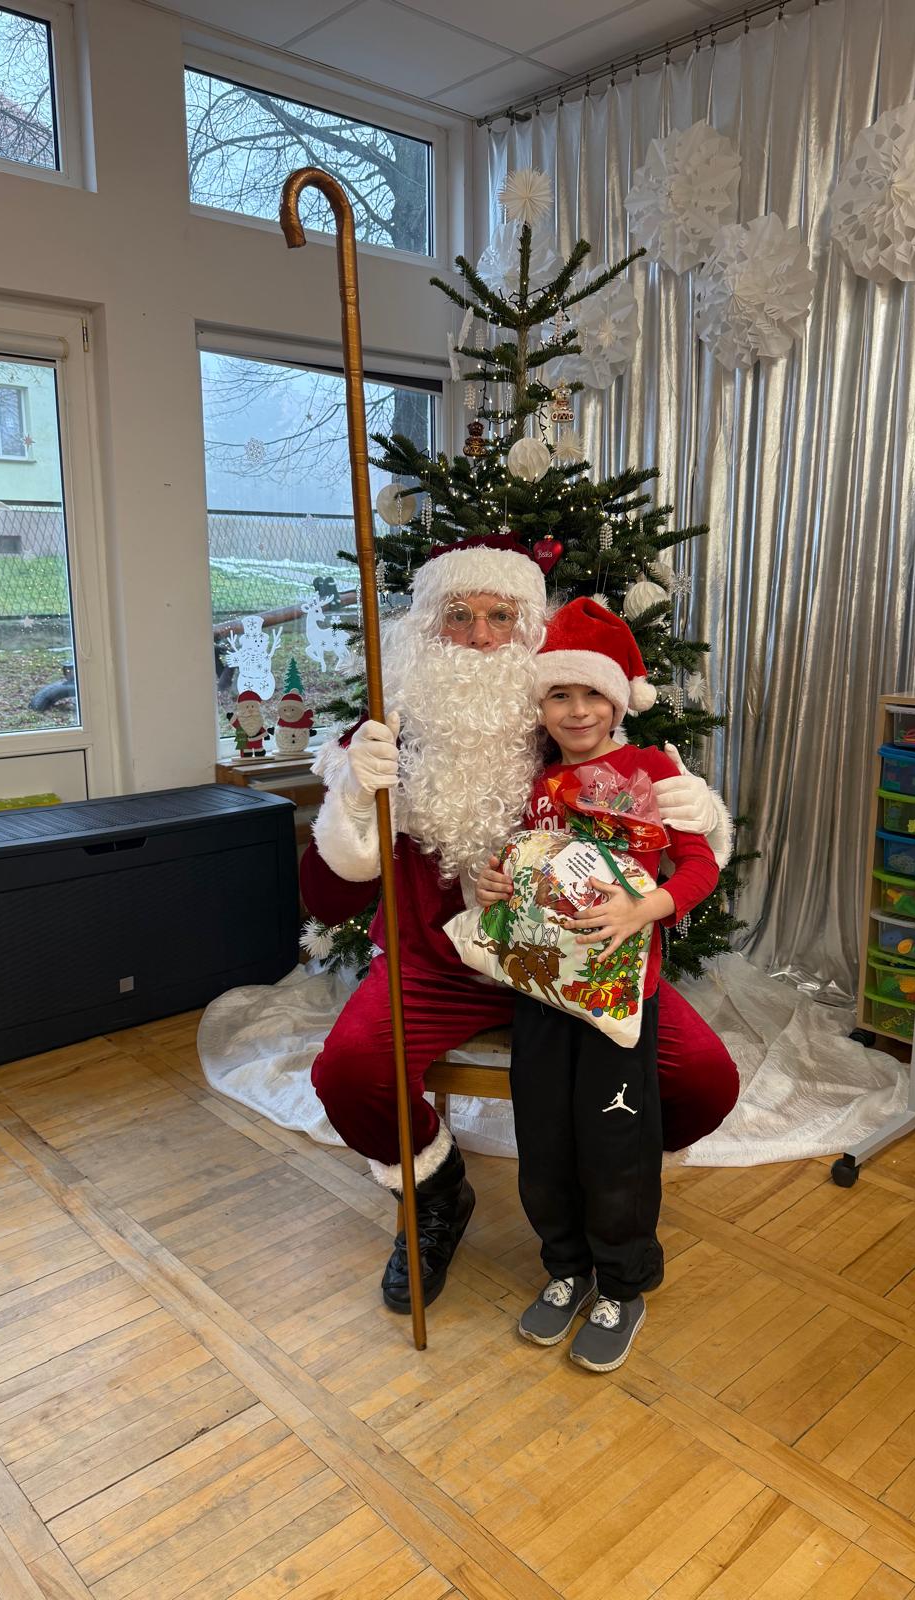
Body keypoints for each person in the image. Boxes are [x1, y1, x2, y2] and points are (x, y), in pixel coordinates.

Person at [301, 535, 738, 1314]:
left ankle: (613, 1185)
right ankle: (435, 1191)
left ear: (531, 630)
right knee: (349, 1073)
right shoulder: (384, 741)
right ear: (425, 628)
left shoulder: (572, 727)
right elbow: (328, 898)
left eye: (500, 616)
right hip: (434, 966)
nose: (478, 637)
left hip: (575, 971)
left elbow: (670, 850)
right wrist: (353, 801)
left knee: (703, 1079)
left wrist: (698, 813)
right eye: (457, 615)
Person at [477, 598, 720, 1372]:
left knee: (615, 1145)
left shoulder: (653, 772)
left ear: (618, 701)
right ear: (540, 703)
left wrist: (646, 908)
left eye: (592, 695)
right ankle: (566, 1269)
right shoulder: (535, 783)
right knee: (544, 1140)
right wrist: (492, 881)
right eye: (559, 694)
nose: (577, 711)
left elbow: (700, 867)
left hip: (618, 1001)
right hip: (543, 990)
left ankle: (621, 1285)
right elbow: (518, 868)